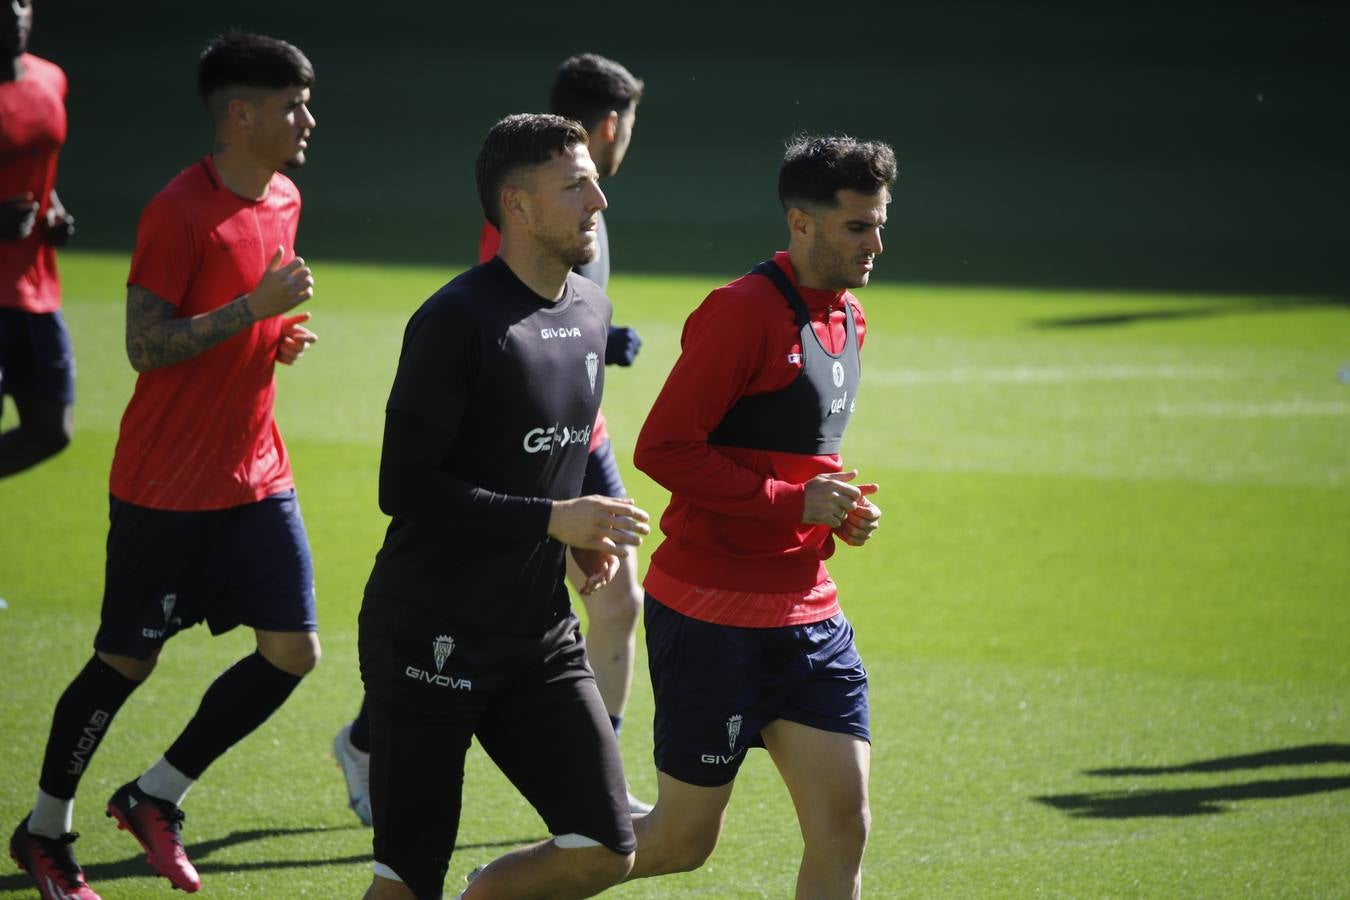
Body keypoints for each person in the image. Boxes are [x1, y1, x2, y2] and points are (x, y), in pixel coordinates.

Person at [8, 32, 320, 900]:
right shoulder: (178, 210)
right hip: (166, 488)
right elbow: (145, 347)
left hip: (255, 474)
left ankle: (155, 795)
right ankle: (43, 833)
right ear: (239, 115)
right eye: (292, 105)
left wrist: (271, 334)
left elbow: (239, 323)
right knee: (125, 664)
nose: (308, 120)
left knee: (294, 653)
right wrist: (248, 309)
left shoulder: (286, 197)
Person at [334, 52, 651, 823]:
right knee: (412, 869)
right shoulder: (463, 313)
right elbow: (408, 482)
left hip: (555, 506)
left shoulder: (585, 295)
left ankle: (599, 761)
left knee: (608, 837)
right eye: (577, 185)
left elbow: (560, 334)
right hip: (429, 607)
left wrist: (570, 525)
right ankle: (369, 738)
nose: (598, 200)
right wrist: (554, 518)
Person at [621, 134, 894, 897]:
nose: (876, 243)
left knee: (844, 825)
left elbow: (794, 454)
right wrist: (789, 502)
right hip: (712, 614)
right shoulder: (741, 313)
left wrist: (833, 510)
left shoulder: (850, 319)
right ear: (801, 225)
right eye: (857, 227)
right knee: (681, 841)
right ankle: (501, 888)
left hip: (806, 612)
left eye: (879, 223)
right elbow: (664, 448)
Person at [0, 0, 78, 479]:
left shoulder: (50, 78)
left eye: (23, 1)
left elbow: (37, 164)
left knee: (52, 428)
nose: (14, 13)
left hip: (33, 285)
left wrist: (53, 209)